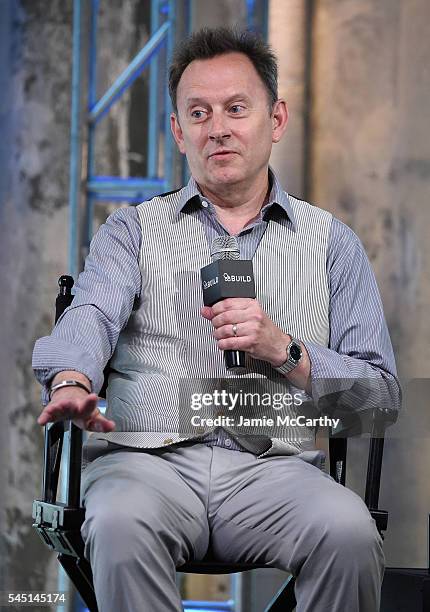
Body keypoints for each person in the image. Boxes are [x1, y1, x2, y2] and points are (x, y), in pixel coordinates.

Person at [33, 27, 401, 612]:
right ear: (179, 131)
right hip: (147, 465)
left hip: (274, 470)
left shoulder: (333, 243)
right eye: (198, 112)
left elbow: (379, 399)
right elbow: (92, 315)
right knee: (120, 525)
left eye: (236, 108)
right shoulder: (133, 232)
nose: (218, 127)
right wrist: (73, 380)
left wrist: (286, 349)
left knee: (349, 531)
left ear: (275, 119)